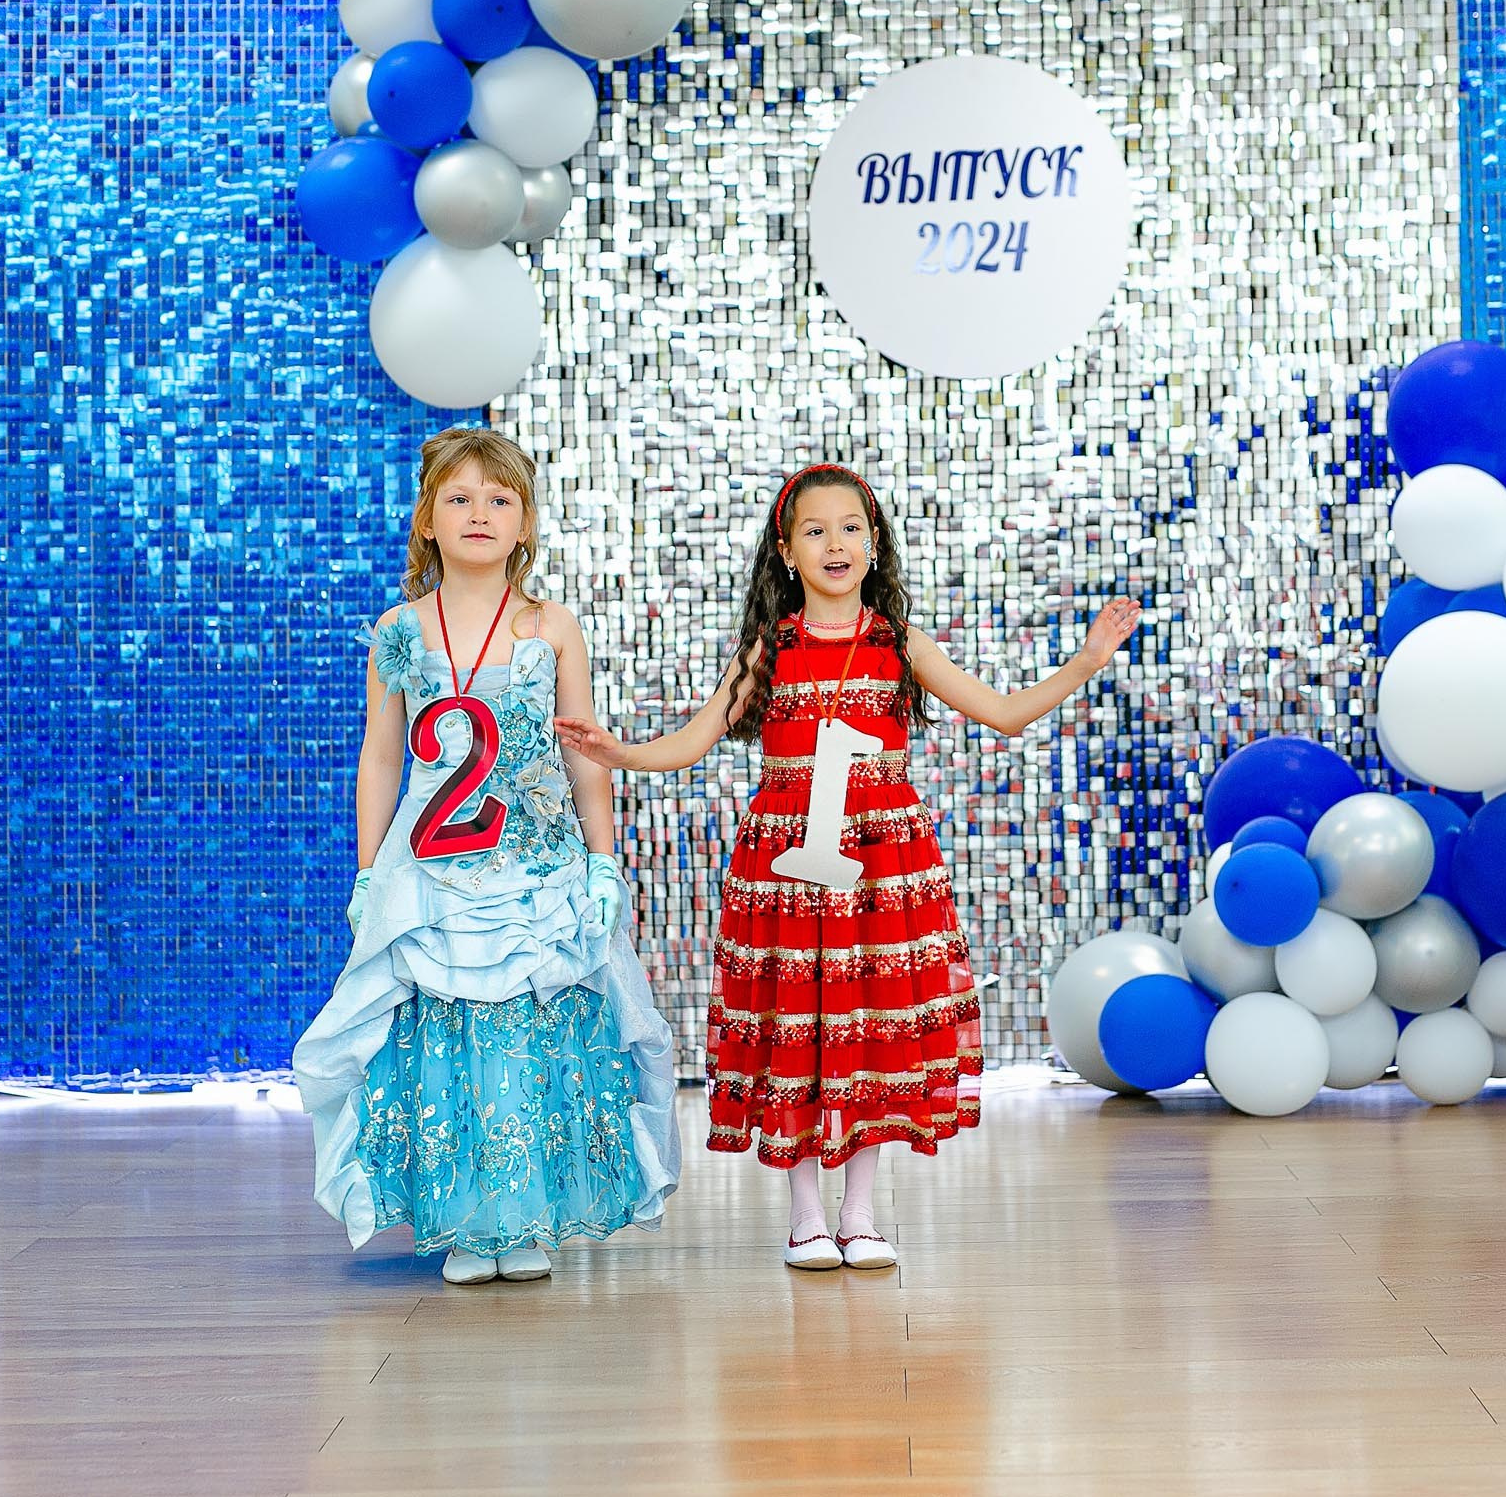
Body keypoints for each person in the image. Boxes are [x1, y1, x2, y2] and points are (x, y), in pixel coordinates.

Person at [557, 463, 1141, 1270]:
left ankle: (860, 1211)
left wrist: (1084, 662)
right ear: (786, 551)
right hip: (787, 868)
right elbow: (692, 740)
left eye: (850, 528)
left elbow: (1004, 714)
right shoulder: (770, 648)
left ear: (873, 544)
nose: (835, 543)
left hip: (879, 867)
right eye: (814, 530)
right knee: (796, 1025)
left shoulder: (899, 644)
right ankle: (805, 1214)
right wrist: (618, 752)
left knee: (867, 1028)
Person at [293, 429, 679, 1285]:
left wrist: (604, 862)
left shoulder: (552, 625)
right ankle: (468, 1221)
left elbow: (582, 750)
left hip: (534, 861)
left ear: (525, 523)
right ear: (426, 519)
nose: (479, 513)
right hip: (434, 868)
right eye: (459, 498)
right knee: (448, 1027)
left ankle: (526, 1214)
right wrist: (368, 872)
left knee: (536, 1025)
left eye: (499, 500)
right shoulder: (398, 629)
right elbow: (382, 756)